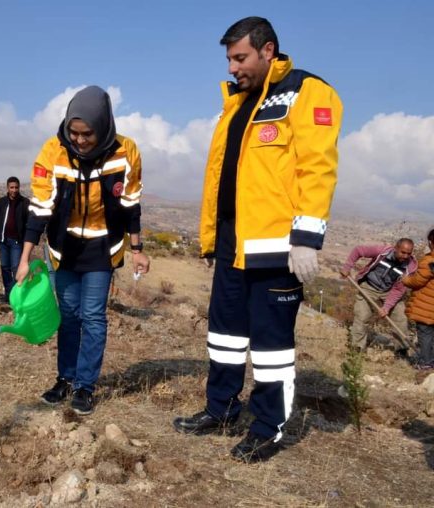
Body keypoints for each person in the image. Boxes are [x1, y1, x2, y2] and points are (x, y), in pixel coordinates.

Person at [172, 17, 343, 463]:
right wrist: (212, 239)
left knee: (271, 347)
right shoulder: (237, 103)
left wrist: (306, 237)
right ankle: (221, 409)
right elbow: (222, 177)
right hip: (232, 244)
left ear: (268, 51)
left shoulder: (308, 92)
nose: (232, 68)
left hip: (278, 249)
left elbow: (317, 166)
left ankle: (268, 427)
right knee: (224, 336)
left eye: (240, 57)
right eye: (229, 59)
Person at [16, 85, 150, 416]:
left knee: (92, 316)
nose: (79, 140)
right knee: (70, 316)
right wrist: (24, 257)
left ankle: (85, 385)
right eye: (74, 133)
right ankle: (65, 377)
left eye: (87, 133)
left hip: (103, 249)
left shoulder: (126, 151)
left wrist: (137, 248)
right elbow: (40, 207)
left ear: (103, 126)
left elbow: (131, 204)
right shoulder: (52, 151)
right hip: (65, 249)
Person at [340, 238, 416, 351]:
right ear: (396, 248)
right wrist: (347, 267)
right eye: (402, 252)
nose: (405, 256)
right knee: (362, 316)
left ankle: (401, 349)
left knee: (400, 318)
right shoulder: (382, 251)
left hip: (390, 291)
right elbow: (358, 250)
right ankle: (356, 348)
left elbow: (398, 290)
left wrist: (386, 307)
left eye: (408, 253)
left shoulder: (410, 267)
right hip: (369, 287)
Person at [0, 176, 30, 301]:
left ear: (19, 188)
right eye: (11, 187)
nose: (14, 190)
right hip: (3, 241)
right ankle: (8, 295)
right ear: (7, 188)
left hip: (17, 242)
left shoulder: (25, 203)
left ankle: (16, 295)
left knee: (16, 268)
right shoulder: (1, 202)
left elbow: (29, 223)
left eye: (16, 187)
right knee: (5, 268)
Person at [402, 229, 434, 369]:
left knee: (425, 335)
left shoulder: (429, 261)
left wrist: (405, 279)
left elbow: (417, 281)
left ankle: (426, 364)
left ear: (431, 242)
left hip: (426, 307)